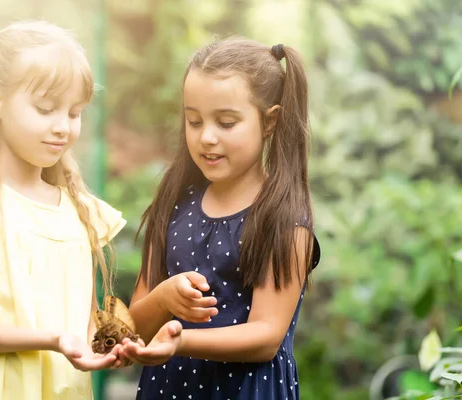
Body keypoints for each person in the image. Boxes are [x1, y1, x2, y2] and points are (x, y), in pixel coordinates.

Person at [0, 20, 177, 400]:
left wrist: (121, 346)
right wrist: (53, 340)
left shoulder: (80, 212)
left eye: (74, 113)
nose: (63, 128)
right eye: (45, 109)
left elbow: (85, 330)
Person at [122, 38, 322, 400]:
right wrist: (163, 299)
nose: (206, 137)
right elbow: (134, 325)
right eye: (194, 120)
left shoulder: (284, 220)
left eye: (226, 123)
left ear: (269, 121)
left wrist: (179, 340)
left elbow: (265, 336)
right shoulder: (171, 205)